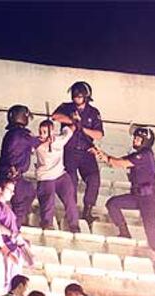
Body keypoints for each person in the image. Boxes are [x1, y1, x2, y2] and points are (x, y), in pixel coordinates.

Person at [92, 127, 155, 259]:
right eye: (135, 138)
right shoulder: (138, 155)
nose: (135, 140)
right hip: (137, 195)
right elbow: (117, 162)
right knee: (113, 204)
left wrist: (104, 156)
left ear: (145, 142)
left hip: (148, 199)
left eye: (138, 139)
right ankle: (124, 232)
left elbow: (119, 163)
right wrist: (103, 155)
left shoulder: (144, 155)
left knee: (150, 226)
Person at [52, 81, 104, 224]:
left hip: (86, 151)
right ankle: (72, 212)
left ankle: (87, 211)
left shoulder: (93, 112)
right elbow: (55, 116)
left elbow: (99, 134)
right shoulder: (67, 107)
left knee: (94, 178)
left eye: (79, 96)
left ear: (86, 97)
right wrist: (72, 121)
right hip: (69, 150)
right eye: (74, 96)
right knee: (71, 182)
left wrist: (83, 128)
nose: (76, 98)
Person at [0, 105, 43, 227]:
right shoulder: (23, 135)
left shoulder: (10, 134)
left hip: (4, 174)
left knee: (29, 191)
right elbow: (39, 143)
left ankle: (15, 224)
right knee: (22, 202)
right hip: (13, 177)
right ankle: (15, 229)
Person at [35, 119, 80, 232]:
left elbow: (70, 130)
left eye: (45, 132)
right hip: (45, 177)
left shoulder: (60, 140)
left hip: (60, 174)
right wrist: (46, 142)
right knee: (48, 203)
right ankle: (47, 225)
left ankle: (74, 225)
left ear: (52, 131)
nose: (41, 134)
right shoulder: (36, 142)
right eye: (40, 131)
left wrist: (75, 122)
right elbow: (34, 145)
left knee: (70, 199)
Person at [0, 179, 27, 288]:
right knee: (6, 282)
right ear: (0, 190)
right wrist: (11, 234)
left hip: (13, 247)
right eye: (10, 190)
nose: (13, 193)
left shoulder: (7, 207)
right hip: (5, 248)